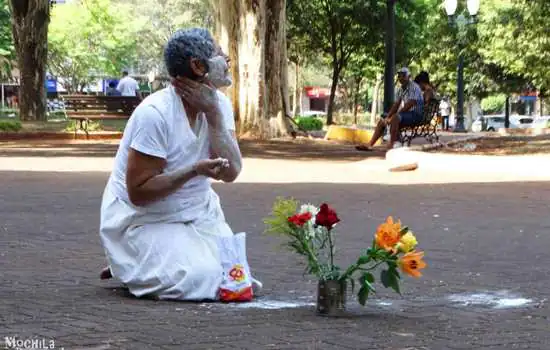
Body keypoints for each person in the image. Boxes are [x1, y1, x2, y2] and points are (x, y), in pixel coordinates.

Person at [98, 28, 260, 301]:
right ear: (198, 66)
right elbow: (139, 193)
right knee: (199, 279)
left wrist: (214, 116)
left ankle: (143, 263)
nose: (227, 60)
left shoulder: (217, 104)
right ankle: (130, 261)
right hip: (145, 219)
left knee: (236, 280)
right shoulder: (155, 113)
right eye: (220, 55)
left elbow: (231, 173)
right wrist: (193, 170)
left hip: (199, 212)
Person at [356, 67, 424, 151]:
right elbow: (396, 104)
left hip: (415, 115)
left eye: (403, 76)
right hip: (406, 114)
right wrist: (388, 117)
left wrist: (395, 115)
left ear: (408, 77)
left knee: (395, 118)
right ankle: (370, 144)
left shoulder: (414, 87)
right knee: (382, 121)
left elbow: (410, 104)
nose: (400, 78)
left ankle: (391, 145)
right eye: (399, 76)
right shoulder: (401, 89)